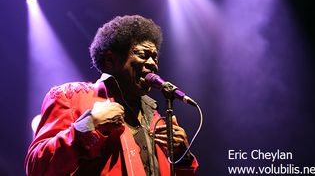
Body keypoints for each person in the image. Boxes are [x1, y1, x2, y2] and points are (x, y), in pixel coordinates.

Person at [25, 15, 198, 175]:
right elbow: (36, 168)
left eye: (155, 57)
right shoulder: (71, 96)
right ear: (109, 60)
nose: (153, 64)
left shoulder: (155, 118)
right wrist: (88, 125)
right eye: (143, 55)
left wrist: (184, 157)